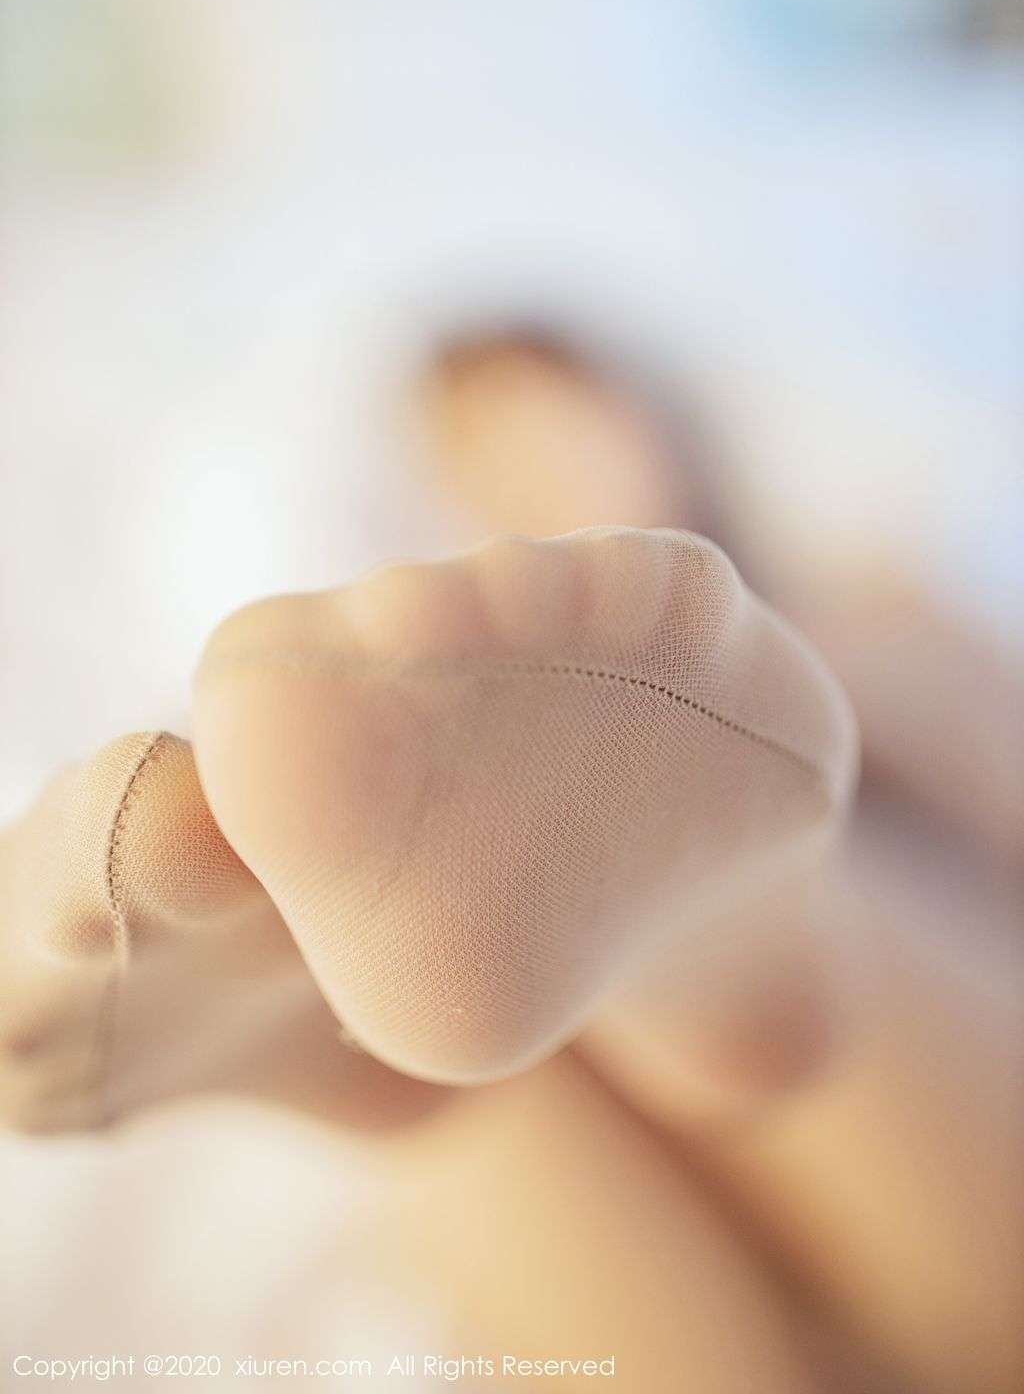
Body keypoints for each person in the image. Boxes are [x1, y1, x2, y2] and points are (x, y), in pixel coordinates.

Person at [2, 339, 1021, 1394]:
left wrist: (855, 722)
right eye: (474, 464)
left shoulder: (875, 600)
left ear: (647, 412)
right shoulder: (432, 772)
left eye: (544, 426)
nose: (521, 484)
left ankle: (469, 1012)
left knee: (490, 999)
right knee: (469, 977)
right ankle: (409, 1005)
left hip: (912, 991)